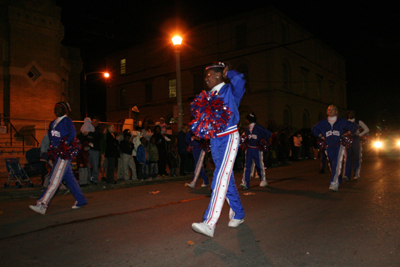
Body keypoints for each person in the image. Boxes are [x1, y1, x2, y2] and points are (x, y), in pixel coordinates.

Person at [191, 61, 245, 237]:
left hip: (229, 137)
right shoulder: (208, 96)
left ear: (218, 75)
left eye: (208, 75)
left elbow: (240, 82)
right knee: (226, 179)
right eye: (205, 76)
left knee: (219, 178)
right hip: (215, 141)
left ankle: (209, 223)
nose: (206, 79)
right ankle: (239, 212)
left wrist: (228, 73)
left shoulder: (230, 91)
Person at [29, 102, 87, 215]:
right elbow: (51, 137)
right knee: (69, 178)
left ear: (65, 110)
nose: (57, 110)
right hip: (57, 152)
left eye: (60, 109)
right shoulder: (52, 123)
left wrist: (65, 143)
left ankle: (42, 204)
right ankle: (81, 200)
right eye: (56, 108)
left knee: (55, 178)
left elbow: (72, 133)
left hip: (64, 153)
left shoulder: (67, 121)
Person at [312, 105, 358, 191]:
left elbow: (354, 126)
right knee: (332, 164)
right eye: (329, 109)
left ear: (336, 111)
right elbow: (314, 129)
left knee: (337, 162)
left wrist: (348, 133)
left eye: (333, 109)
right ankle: (338, 178)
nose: (330, 111)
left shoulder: (341, 121)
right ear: (327, 112)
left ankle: (334, 183)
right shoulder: (323, 122)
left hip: (339, 144)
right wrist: (320, 135)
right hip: (328, 145)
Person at [240, 113, 271, 190]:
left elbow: (268, 133)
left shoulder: (258, 127)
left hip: (257, 149)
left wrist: (263, 140)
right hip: (249, 149)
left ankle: (263, 179)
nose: (246, 121)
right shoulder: (247, 128)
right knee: (247, 166)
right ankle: (245, 183)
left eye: (247, 119)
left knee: (259, 165)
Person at [343, 110, 369, 181]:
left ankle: (356, 174)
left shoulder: (358, 122)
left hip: (356, 140)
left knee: (356, 157)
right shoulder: (345, 122)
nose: (350, 114)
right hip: (347, 140)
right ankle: (347, 175)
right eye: (349, 113)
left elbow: (367, 129)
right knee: (347, 158)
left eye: (352, 113)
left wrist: (359, 135)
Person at [86, 116, 103, 185]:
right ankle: (88, 178)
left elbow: (98, 136)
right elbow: (84, 135)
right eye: (93, 121)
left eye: (96, 121)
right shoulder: (88, 127)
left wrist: (89, 135)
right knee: (87, 165)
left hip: (95, 149)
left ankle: (95, 178)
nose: (94, 123)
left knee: (95, 165)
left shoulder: (98, 129)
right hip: (88, 149)